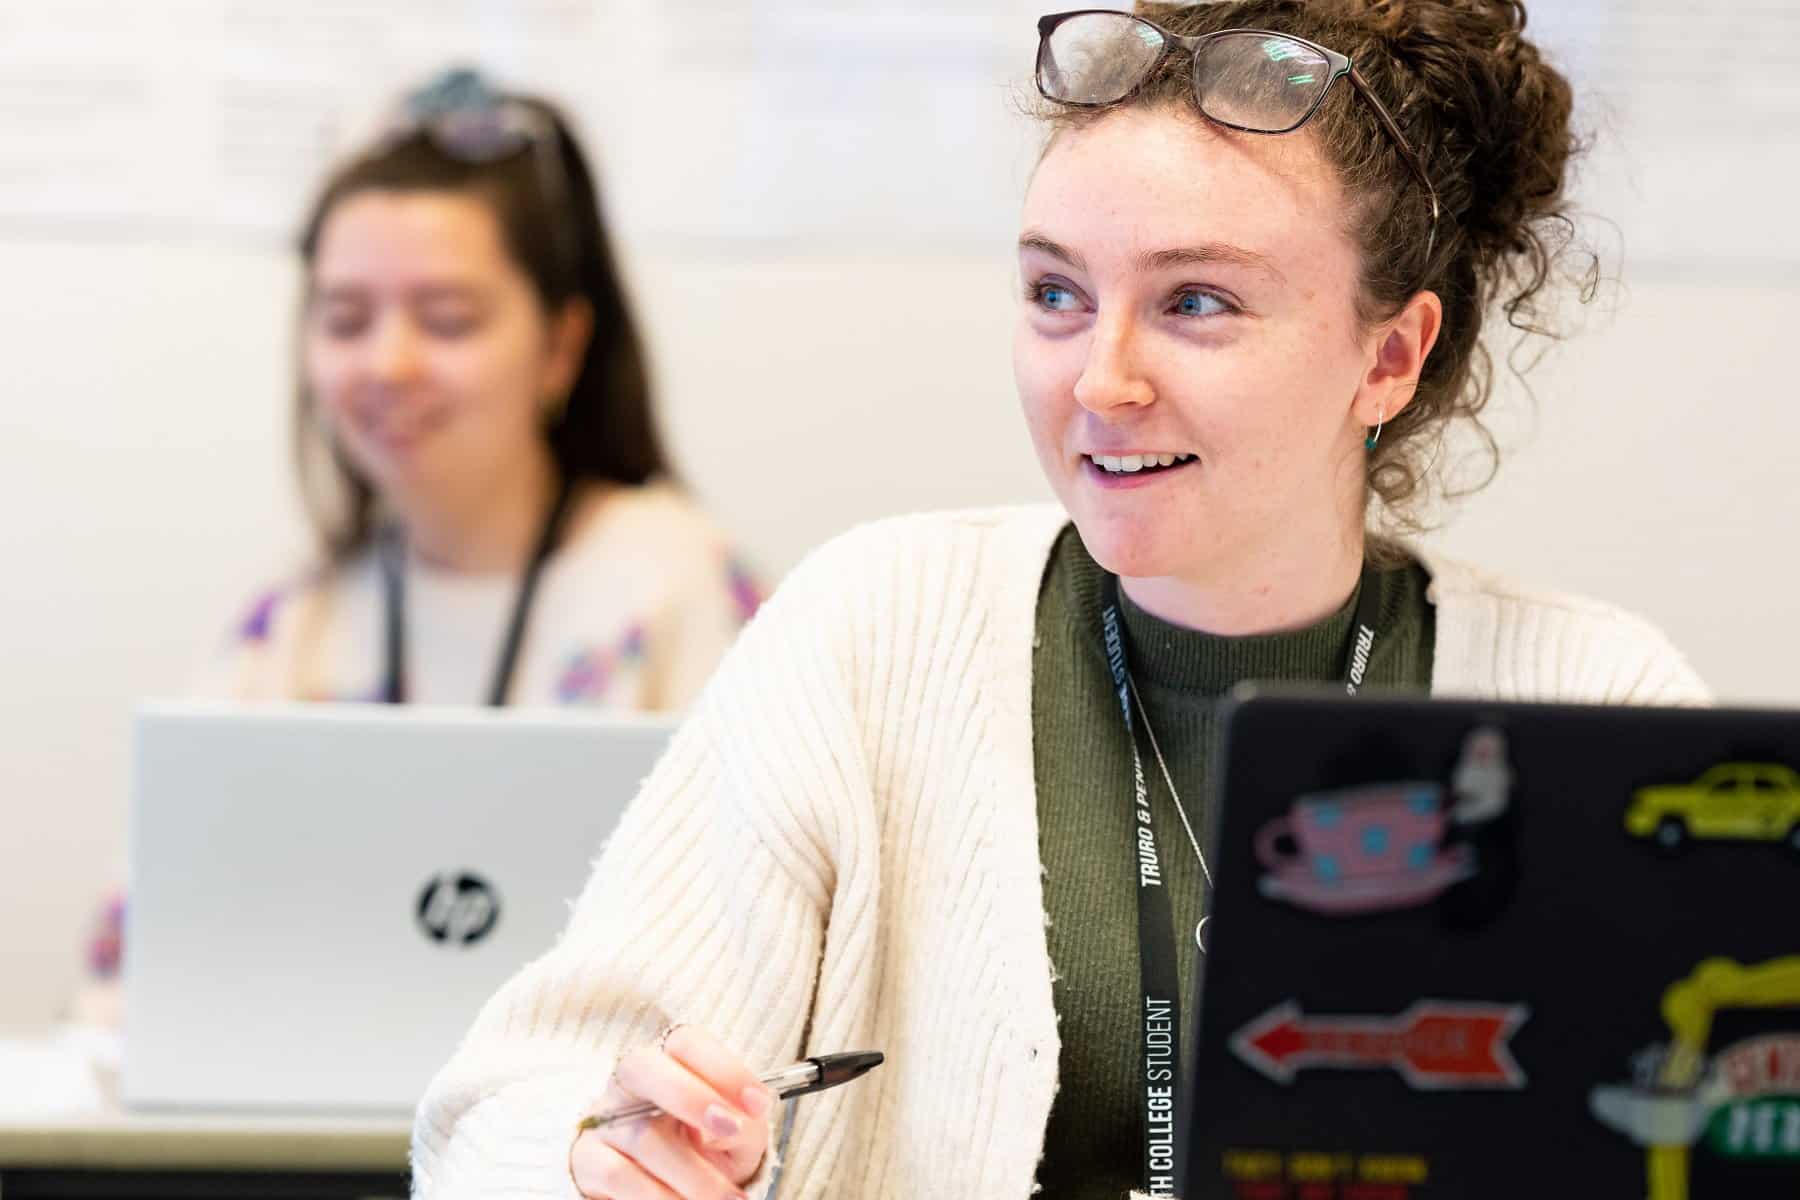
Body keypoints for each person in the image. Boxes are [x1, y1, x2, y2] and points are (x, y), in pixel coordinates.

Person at [410, 4, 1707, 1198]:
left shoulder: (1596, 700)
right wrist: (596, 1160)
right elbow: (493, 1121)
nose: (1103, 378)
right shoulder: (878, 627)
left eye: (1197, 302)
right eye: (1055, 294)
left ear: (1389, 357)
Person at [207, 68, 759, 709]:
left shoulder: (682, 587)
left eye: (448, 321)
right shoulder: (296, 624)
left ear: (561, 348)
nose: (388, 365)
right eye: (346, 321)